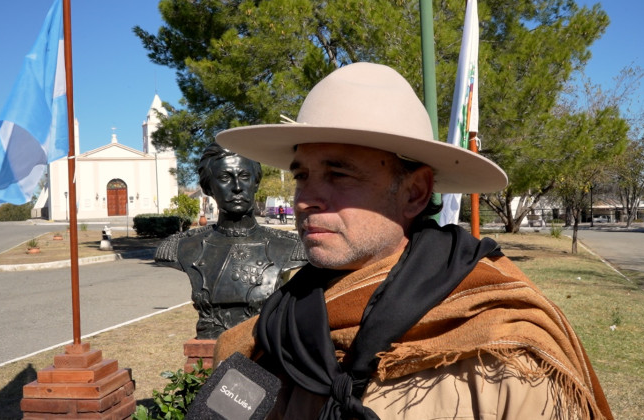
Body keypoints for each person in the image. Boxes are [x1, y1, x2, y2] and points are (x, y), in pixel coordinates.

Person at [213, 63, 613, 420]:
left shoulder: (504, 351)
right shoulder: (275, 330)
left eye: (338, 174)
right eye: (302, 176)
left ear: (414, 193)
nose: (304, 200)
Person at [155, 142, 307, 339]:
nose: (237, 187)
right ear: (208, 187)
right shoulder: (179, 247)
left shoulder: (291, 247)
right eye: (225, 178)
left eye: (244, 176)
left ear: (256, 183)